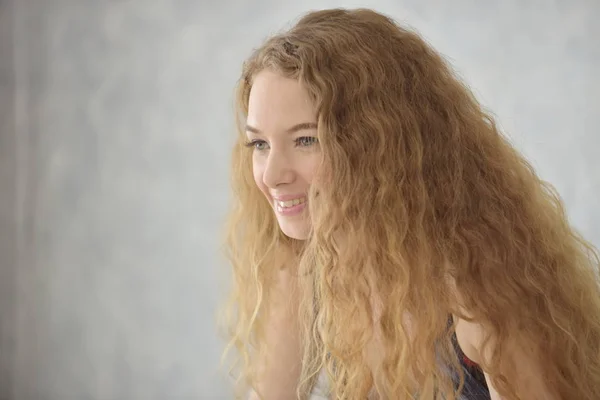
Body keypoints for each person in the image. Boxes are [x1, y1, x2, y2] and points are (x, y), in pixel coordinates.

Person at [221, 7, 600, 400]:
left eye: (306, 140)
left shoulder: (477, 291)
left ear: (379, 146)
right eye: (260, 144)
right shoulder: (306, 270)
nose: (271, 175)